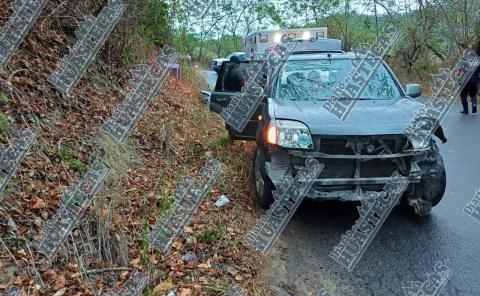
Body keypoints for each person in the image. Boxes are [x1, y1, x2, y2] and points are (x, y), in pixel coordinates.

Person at [459, 46, 480, 114]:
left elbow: (460, 72)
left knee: (463, 95)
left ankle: (466, 110)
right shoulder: (478, 63)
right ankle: (474, 105)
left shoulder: (463, 62)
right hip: (474, 81)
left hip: (464, 81)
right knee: (473, 95)